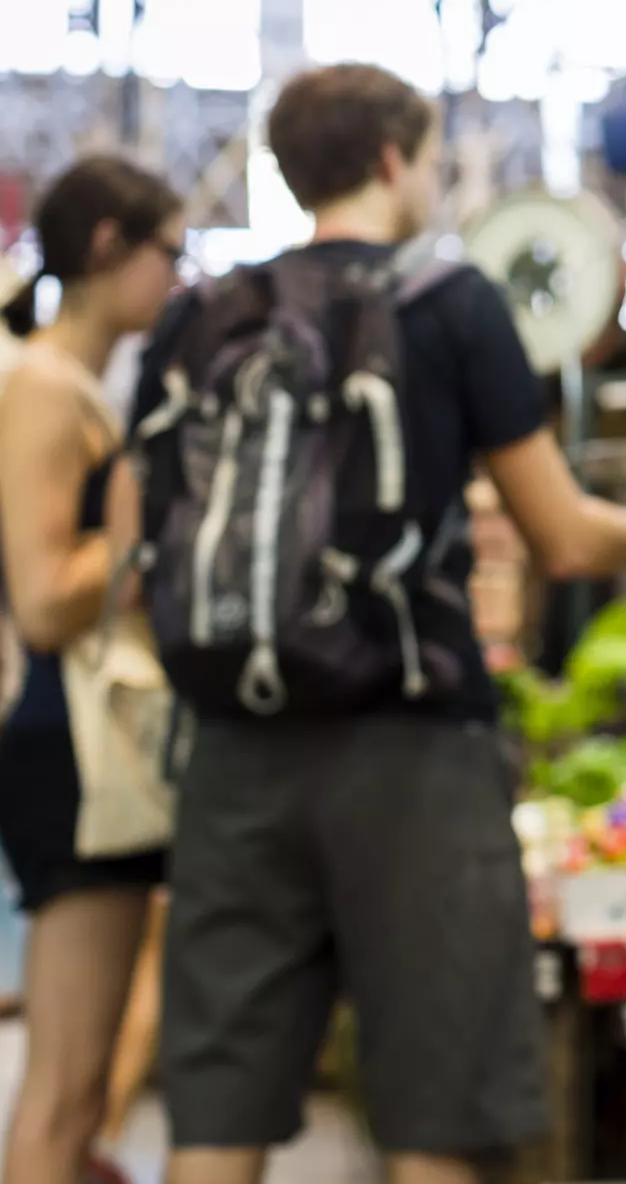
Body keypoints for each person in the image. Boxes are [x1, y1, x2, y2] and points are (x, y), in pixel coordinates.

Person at [130, 63, 626, 1184]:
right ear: (394, 160)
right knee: (435, 1105)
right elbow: (560, 536)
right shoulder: (452, 303)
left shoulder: (198, 317)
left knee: (217, 1107)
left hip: (234, 746)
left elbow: (150, 537)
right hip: (413, 748)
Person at [0, 156, 185, 1184]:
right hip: (66, 745)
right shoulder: (42, 387)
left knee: (78, 1098)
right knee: (64, 1089)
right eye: (169, 251)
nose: (175, 276)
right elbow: (38, 594)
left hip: (81, 741)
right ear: (110, 245)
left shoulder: (75, 386)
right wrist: (137, 538)